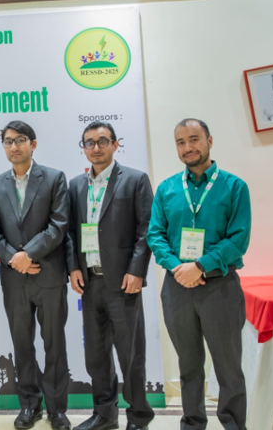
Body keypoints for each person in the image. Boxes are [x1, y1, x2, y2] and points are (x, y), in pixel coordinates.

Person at [147, 119, 251, 430]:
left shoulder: (234, 186)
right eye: (180, 142)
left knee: (228, 367)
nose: (188, 147)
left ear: (209, 140)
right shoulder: (167, 189)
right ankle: (192, 424)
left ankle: (234, 425)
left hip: (220, 288)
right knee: (189, 365)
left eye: (194, 139)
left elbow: (238, 238)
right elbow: (155, 234)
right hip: (177, 287)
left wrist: (200, 265)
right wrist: (177, 267)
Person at [67, 122, 154, 430]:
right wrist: (73, 267)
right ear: (83, 148)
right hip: (90, 282)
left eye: (103, 141)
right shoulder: (76, 185)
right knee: (96, 354)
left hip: (123, 282)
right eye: (89, 142)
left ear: (116, 144)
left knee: (131, 355)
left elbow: (147, 230)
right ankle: (105, 414)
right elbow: (69, 232)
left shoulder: (134, 180)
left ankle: (139, 417)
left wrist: (136, 271)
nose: (96, 147)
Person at [0, 121, 71, 430]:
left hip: (49, 275)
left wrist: (28, 254)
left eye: (20, 140)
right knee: (22, 345)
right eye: (8, 141)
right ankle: (29, 406)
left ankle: (57, 410)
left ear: (33, 144)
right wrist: (14, 258)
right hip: (14, 278)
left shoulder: (54, 178)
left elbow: (59, 225)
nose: (14, 146)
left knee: (54, 344)